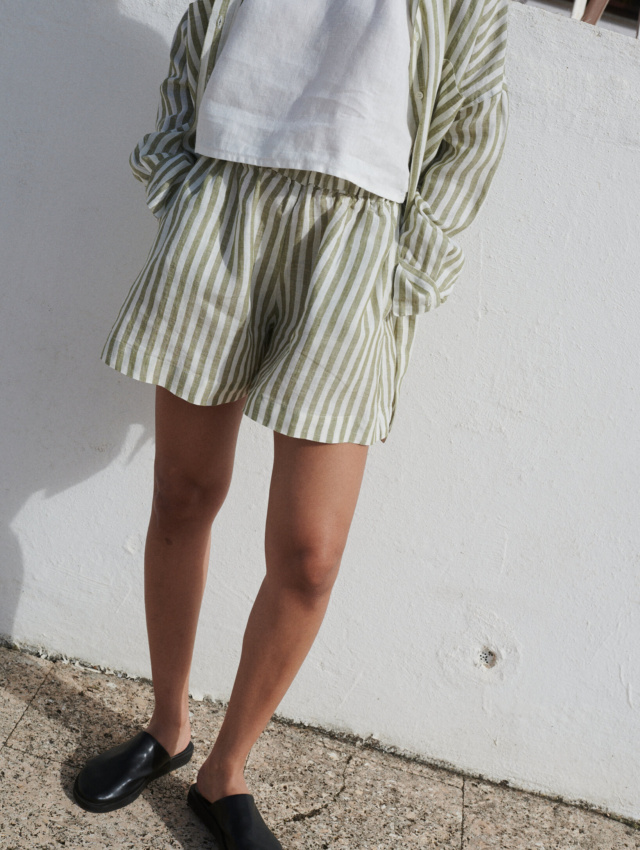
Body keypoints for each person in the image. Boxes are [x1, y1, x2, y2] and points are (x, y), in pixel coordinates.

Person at [73, 0, 510, 847]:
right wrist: (177, 177)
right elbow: (196, 44)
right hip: (226, 202)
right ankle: (168, 728)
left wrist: (404, 271)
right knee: (184, 492)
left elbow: (474, 125)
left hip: (357, 240)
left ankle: (224, 770)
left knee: (310, 555)